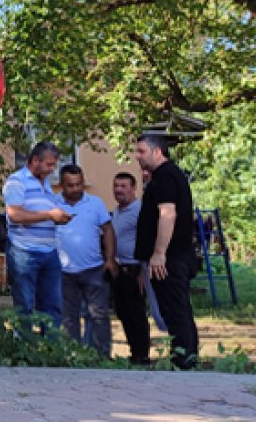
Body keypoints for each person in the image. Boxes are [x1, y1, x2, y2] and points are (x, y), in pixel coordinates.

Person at [132, 134, 199, 370]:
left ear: (157, 152)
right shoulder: (168, 176)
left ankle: (183, 362)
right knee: (178, 310)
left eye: (141, 151)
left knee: (175, 311)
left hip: (170, 258)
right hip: (174, 256)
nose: (137, 157)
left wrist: (159, 253)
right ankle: (185, 358)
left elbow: (167, 214)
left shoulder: (165, 177)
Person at [2, 141, 72, 327]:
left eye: (54, 164)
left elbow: (41, 214)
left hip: (49, 252)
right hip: (24, 252)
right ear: (34, 160)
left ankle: (49, 350)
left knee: (52, 306)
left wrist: (58, 217)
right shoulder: (17, 181)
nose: (52, 169)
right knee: (24, 306)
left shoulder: (46, 185)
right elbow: (14, 214)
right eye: (49, 164)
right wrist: (50, 214)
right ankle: (26, 353)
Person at [56, 164, 117, 356]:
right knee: (68, 317)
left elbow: (108, 230)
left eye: (79, 184)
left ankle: (101, 356)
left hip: (94, 269)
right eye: (70, 185)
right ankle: (72, 355)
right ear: (62, 185)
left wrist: (110, 259)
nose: (75, 189)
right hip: (64, 272)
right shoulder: (53, 205)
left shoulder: (95, 203)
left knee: (99, 315)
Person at [110, 171, 151, 365]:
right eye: (116, 186)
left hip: (135, 269)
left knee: (136, 313)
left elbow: (147, 243)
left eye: (123, 186)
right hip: (120, 268)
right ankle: (134, 351)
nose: (118, 190)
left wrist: (144, 271)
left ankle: (142, 355)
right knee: (123, 312)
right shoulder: (117, 211)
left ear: (133, 188)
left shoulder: (141, 211)